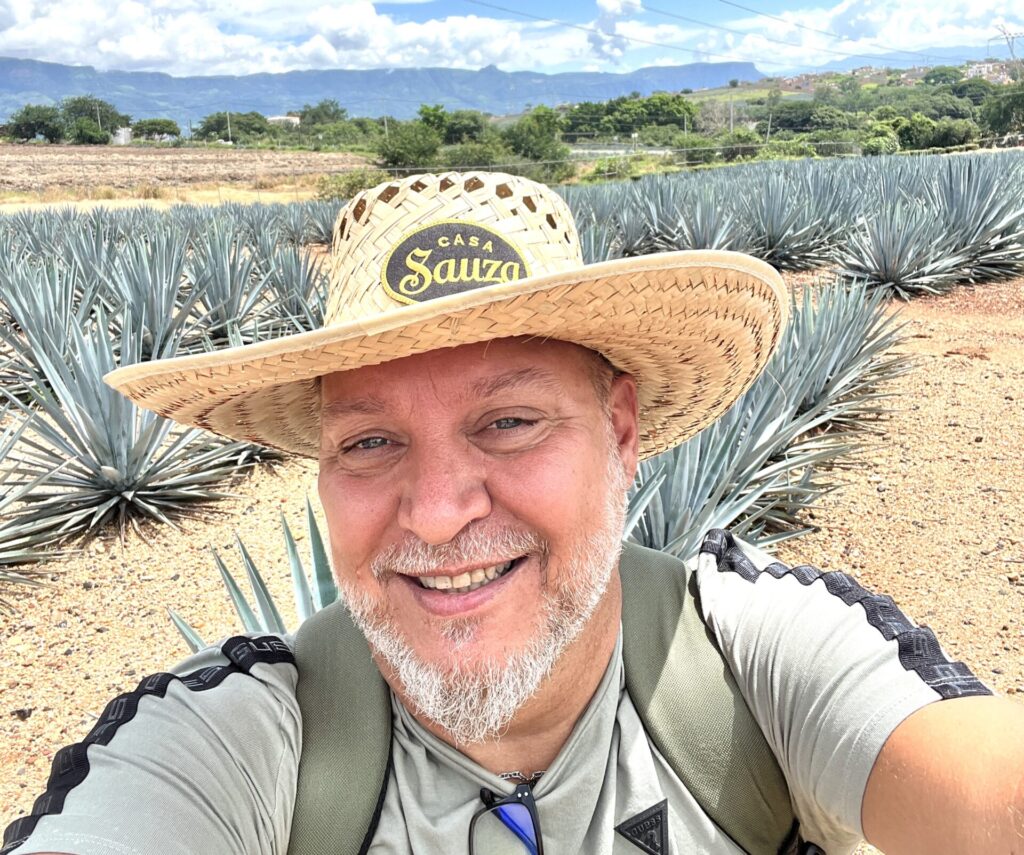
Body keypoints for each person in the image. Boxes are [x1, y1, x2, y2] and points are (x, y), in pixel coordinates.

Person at [3, 171, 1022, 855]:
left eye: (509, 421)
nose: (438, 513)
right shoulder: (232, 746)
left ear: (621, 433)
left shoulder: (755, 659)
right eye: (368, 440)